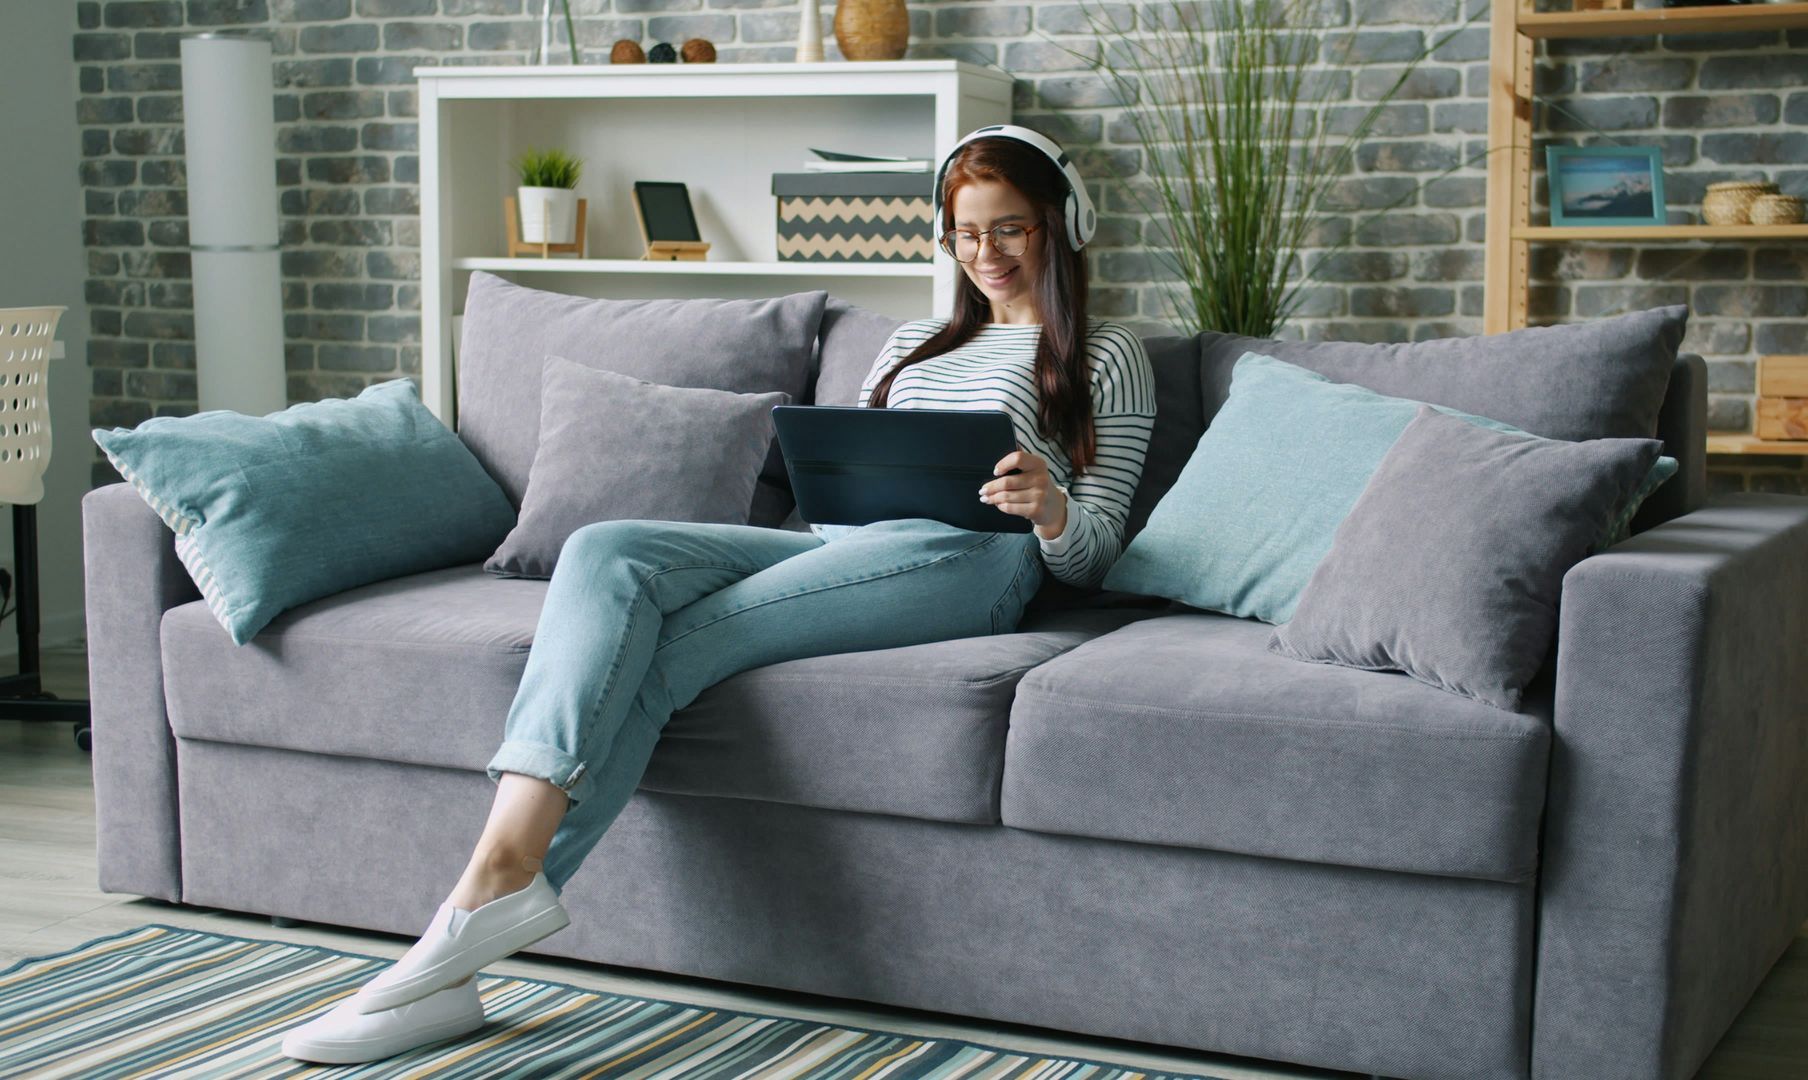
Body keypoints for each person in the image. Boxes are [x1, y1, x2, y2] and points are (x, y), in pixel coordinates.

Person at [280, 124, 1157, 1064]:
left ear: (1063, 227)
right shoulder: (908, 343)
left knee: (674, 646)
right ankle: (476, 926)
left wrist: (1052, 507)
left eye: (1010, 230)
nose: (986, 255)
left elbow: (1094, 555)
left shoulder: (1106, 356)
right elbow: (849, 472)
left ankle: (470, 914)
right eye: (965, 235)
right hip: (841, 545)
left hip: (973, 563)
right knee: (608, 551)